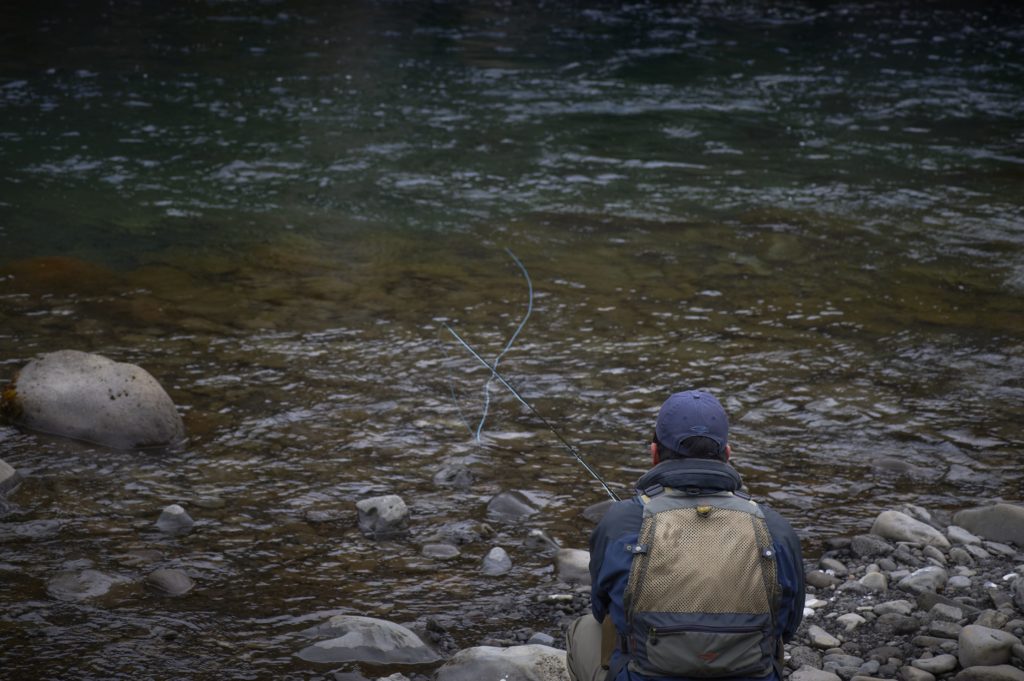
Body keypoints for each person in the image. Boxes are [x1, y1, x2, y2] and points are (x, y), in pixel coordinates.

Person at [565, 389, 805, 681]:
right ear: (727, 455)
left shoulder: (620, 522)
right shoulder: (775, 527)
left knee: (584, 630)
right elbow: (788, 625)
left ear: (654, 454)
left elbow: (601, 607)